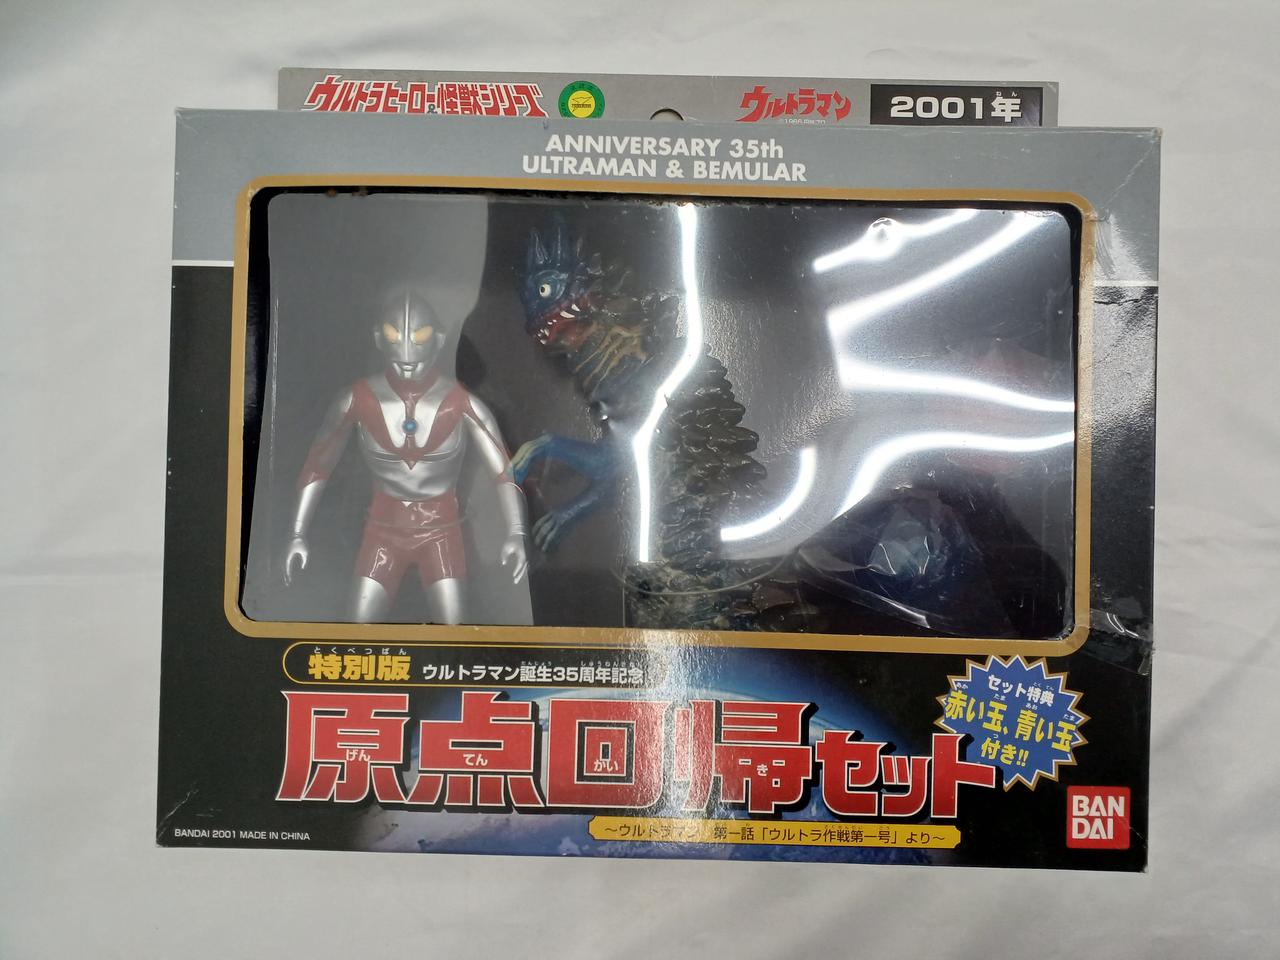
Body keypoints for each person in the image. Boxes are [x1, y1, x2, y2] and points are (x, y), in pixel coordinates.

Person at [283, 287, 528, 623]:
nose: (408, 353)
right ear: (379, 338)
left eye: (419, 336)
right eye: (395, 336)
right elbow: (318, 466)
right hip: (382, 530)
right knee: (357, 632)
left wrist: (517, 531)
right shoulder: (355, 400)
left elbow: (504, 471)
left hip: (442, 530)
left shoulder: (464, 404)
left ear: (439, 339)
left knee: (453, 634)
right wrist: (297, 533)